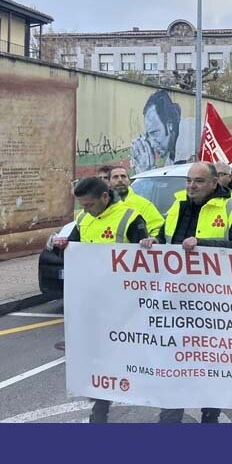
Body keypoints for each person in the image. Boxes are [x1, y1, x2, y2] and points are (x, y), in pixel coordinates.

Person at [140, 162, 232, 423]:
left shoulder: (231, 208)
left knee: (210, 365)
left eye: (198, 181)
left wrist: (203, 245)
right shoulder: (177, 208)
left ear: (214, 183)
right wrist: (154, 243)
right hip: (177, 302)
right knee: (174, 360)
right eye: (189, 181)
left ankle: (209, 415)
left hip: (215, 305)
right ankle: (170, 417)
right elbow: (167, 241)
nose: (191, 186)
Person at [54, 177, 149, 423]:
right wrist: (62, 246)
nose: (85, 210)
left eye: (89, 204)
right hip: (96, 302)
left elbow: (147, 254)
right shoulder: (84, 219)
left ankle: (149, 391)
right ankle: (100, 406)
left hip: (126, 303)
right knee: (100, 355)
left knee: (131, 352)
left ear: (105, 197)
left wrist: (150, 244)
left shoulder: (130, 217)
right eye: (82, 206)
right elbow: (74, 247)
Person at [132, 90, 182, 173]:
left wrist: (146, 170)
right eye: (149, 136)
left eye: (155, 133)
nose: (152, 143)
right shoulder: (170, 158)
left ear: (170, 125)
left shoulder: (187, 153)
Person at [108, 166, 164, 237]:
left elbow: (158, 229)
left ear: (129, 181)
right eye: (115, 177)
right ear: (109, 182)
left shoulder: (144, 205)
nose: (120, 180)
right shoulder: (102, 206)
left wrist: (151, 241)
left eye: (123, 176)